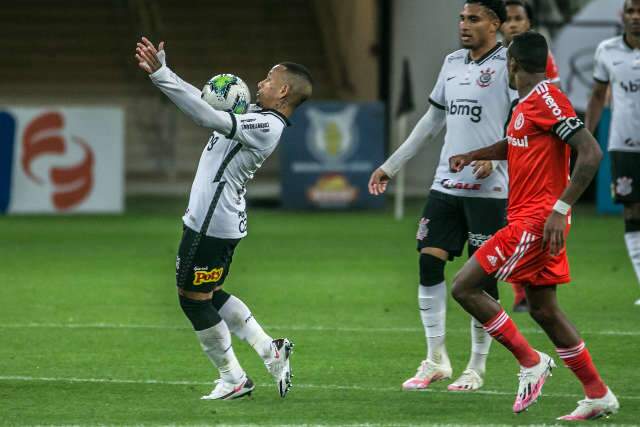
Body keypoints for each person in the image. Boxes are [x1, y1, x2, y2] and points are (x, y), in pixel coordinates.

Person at [448, 31, 619, 419]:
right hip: (532, 219)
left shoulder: (546, 99)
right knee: (544, 310)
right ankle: (598, 393)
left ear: (512, 64)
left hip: (536, 220)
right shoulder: (525, 104)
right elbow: (514, 143)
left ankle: (530, 361)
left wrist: (561, 208)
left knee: (465, 286)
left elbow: (590, 152)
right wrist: (472, 153)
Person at [135, 37, 312, 400]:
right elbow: (204, 101)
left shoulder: (267, 126)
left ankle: (233, 378)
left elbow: (205, 116)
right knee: (211, 294)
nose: (260, 83)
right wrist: (164, 72)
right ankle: (269, 350)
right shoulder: (255, 114)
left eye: (268, 79)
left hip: (211, 225)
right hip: (215, 221)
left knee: (192, 299)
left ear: (282, 90)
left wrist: (160, 78)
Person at [369, 0, 517, 392]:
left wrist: (496, 161)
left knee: (481, 280)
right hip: (445, 185)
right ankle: (435, 359)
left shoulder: (509, 66)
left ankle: (476, 367)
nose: (464, 25)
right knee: (428, 263)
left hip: (490, 191)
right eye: (462, 18)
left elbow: (522, 126)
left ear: (495, 24)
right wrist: (391, 165)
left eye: (474, 19)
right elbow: (431, 121)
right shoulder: (452, 62)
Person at [501, 0, 561, 312]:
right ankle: (521, 291)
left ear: (529, 24)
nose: (511, 24)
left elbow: (553, 98)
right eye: (507, 19)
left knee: (528, 217)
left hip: (532, 143)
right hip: (510, 140)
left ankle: (530, 288)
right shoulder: (496, 58)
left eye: (518, 19)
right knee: (513, 216)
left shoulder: (541, 62)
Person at [586, 0, 640, 306]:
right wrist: (585, 136)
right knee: (633, 212)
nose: (635, 17)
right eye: (631, 12)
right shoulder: (606, 50)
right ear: (623, 16)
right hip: (624, 144)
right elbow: (596, 96)